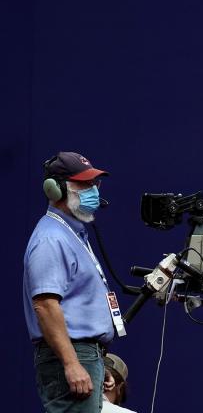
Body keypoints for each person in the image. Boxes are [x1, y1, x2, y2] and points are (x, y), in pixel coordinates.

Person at [24, 151, 121, 412]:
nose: (93, 191)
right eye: (83, 184)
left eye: (94, 184)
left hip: (86, 355)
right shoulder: (50, 239)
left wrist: (98, 363)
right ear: (55, 190)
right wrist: (72, 363)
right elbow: (45, 305)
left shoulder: (71, 233)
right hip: (71, 355)